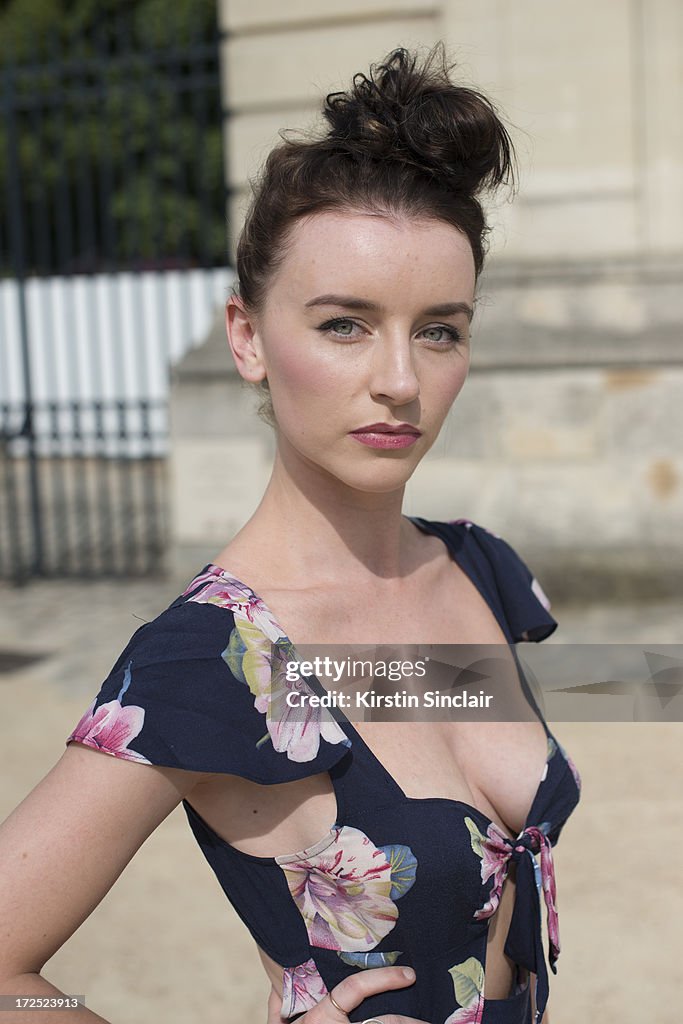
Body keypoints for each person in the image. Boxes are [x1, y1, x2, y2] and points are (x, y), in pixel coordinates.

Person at [0, 45, 581, 1024]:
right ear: (246, 336)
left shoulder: (477, 567)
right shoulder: (207, 660)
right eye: (345, 324)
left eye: (438, 328)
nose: (399, 378)